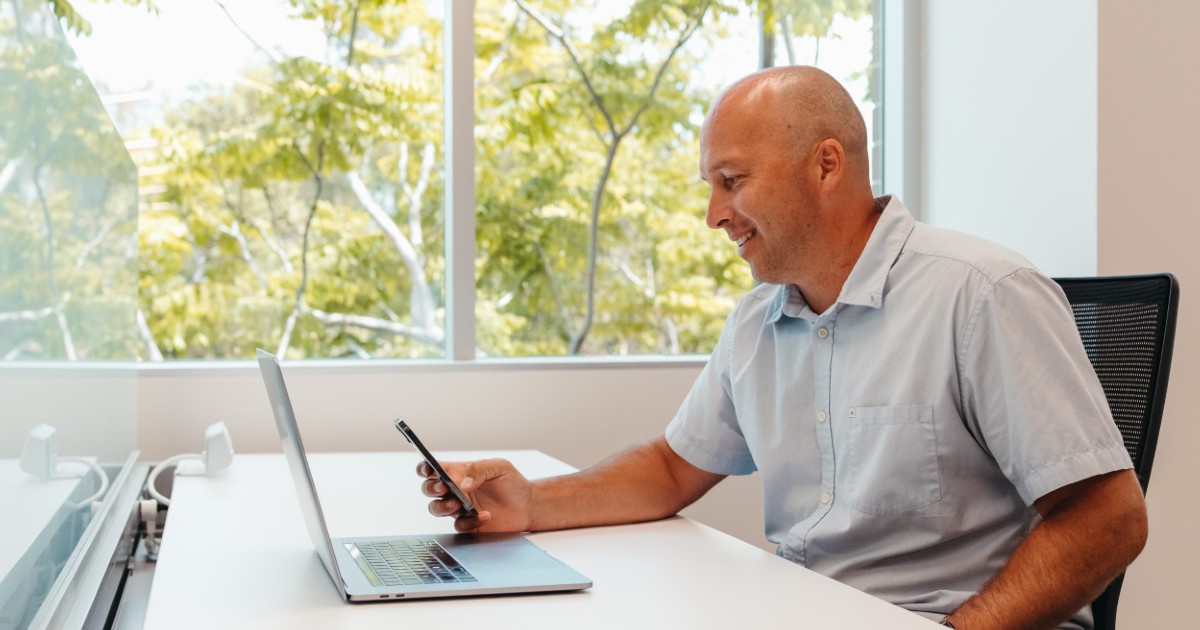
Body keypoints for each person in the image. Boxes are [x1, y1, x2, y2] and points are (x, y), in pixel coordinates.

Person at [417, 66, 1147, 629]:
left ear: (826, 166)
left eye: (731, 182)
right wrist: (528, 506)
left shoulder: (981, 294)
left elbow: (1109, 517)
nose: (712, 216)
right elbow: (672, 468)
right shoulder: (759, 321)